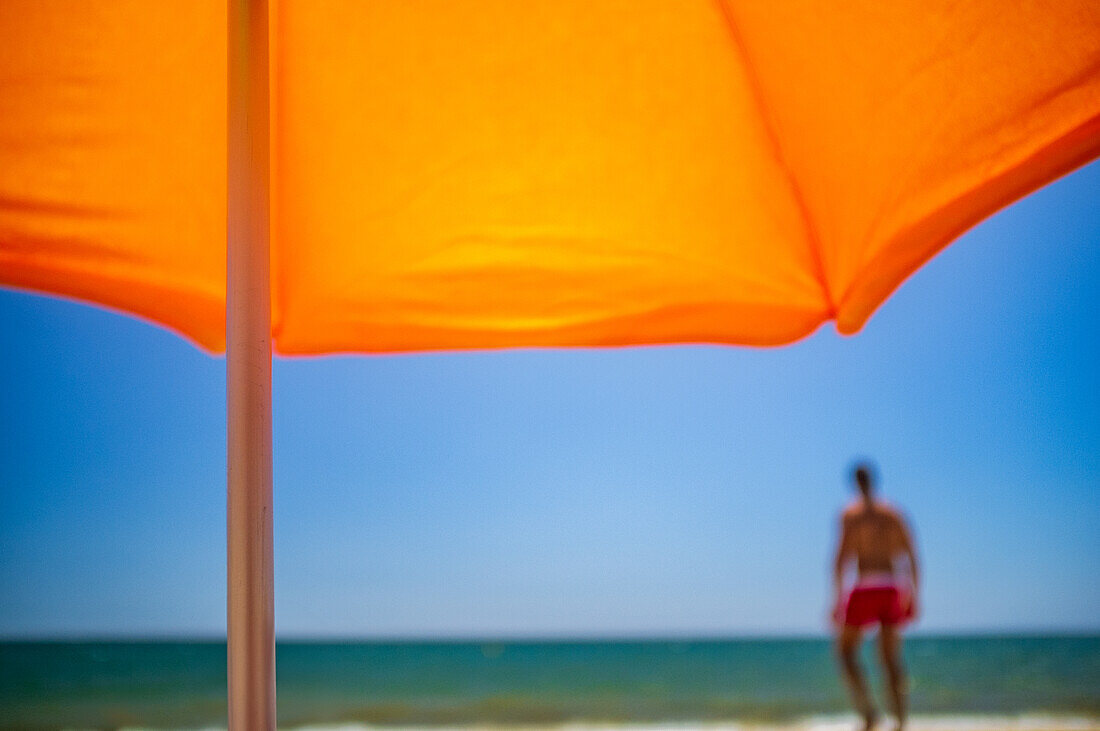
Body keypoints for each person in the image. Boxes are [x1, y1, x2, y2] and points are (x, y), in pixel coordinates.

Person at [832, 463, 919, 731]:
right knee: (890, 657)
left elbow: (841, 558)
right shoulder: (892, 513)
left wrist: (837, 598)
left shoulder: (851, 514)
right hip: (892, 586)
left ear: (855, 483)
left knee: (845, 651)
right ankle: (900, 719)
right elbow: (911, 555)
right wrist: (913, 591)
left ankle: (869, 714)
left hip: (865, 586)